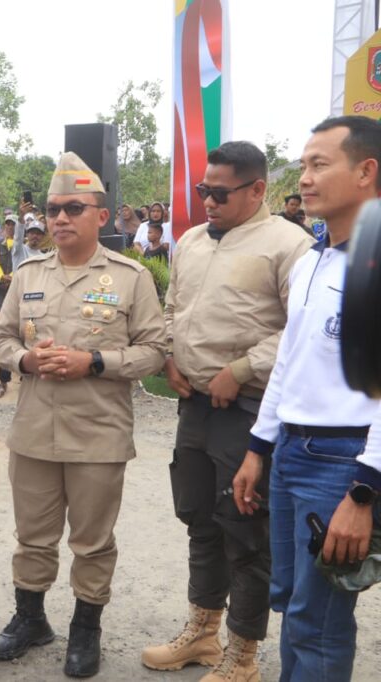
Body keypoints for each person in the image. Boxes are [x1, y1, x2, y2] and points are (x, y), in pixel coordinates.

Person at [0, 152, 167, 678]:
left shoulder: (130, 278)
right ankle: (30, 619)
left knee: (92, 541)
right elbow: (0, 338)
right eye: (52, 209)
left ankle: (86, 629)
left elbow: (155, 350)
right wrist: (24, 359)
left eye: (72, 208)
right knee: (33, 535)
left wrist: (95, 362)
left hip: (98, 433)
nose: (59, 218)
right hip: (34, 430)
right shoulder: (27, 275)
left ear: (102, 217)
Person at [142, 141, 313, 681]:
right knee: (198, 518)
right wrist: (169, 355)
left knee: (245, 530)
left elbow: (300, 331)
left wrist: (239, 369)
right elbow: (174, 307)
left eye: (219, 193)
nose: (207, 202)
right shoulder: (190, 241)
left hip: (250, 409)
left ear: (257, 189)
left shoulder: (292, 246)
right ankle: (202, 635)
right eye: (202, 191)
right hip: (194, 405)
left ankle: (243, 656)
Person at [232, 115, 381, 682]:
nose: (305, 179)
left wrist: (364, 491)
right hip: (293, 452)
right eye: (303, 165)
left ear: (366, 171)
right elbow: (290, 364)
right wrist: (258, 448)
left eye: (320, 164)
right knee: (292, 600)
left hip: (344, 463)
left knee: (318, 619)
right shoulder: (313, 260)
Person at [0, 216, 17, 398]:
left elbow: (23, 261)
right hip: (2, 289)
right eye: (7, 223)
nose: (10, 226)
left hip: (20, 289)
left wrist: (13, 276)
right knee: (6, 334)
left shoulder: (21, 244)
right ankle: (3, 380)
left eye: (13, 224)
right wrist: (2, 277)